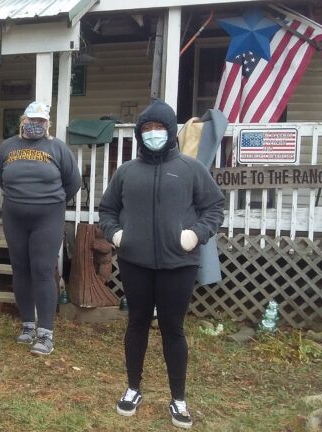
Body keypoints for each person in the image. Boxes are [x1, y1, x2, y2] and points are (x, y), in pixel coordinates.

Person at [98, 100, 225, 429]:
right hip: (135, 262)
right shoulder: (126, 172)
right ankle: (133, 388)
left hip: (178, 263)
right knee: (136, 324)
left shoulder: (190, 168)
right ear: (140, 134)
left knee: (173, 329)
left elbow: (213, 208)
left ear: (171, 131)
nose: (153, 134)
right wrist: (117, 236)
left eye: (160, 128)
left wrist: (195, 236)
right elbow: (107, 210)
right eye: (147, 129)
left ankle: (178, 398)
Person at [0, 101, 81, 355]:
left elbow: (73, 182)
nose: (35, 125)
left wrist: (49, 201)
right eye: (31, 120)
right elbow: (0, 177)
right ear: (23, 121)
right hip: (14, 216)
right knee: (20, 268)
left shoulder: (58, 148)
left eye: (41, 121)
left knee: (43, 270)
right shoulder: (7, 147)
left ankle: (46, 333)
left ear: (47, 124)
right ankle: (27, 325)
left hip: (48, 216)